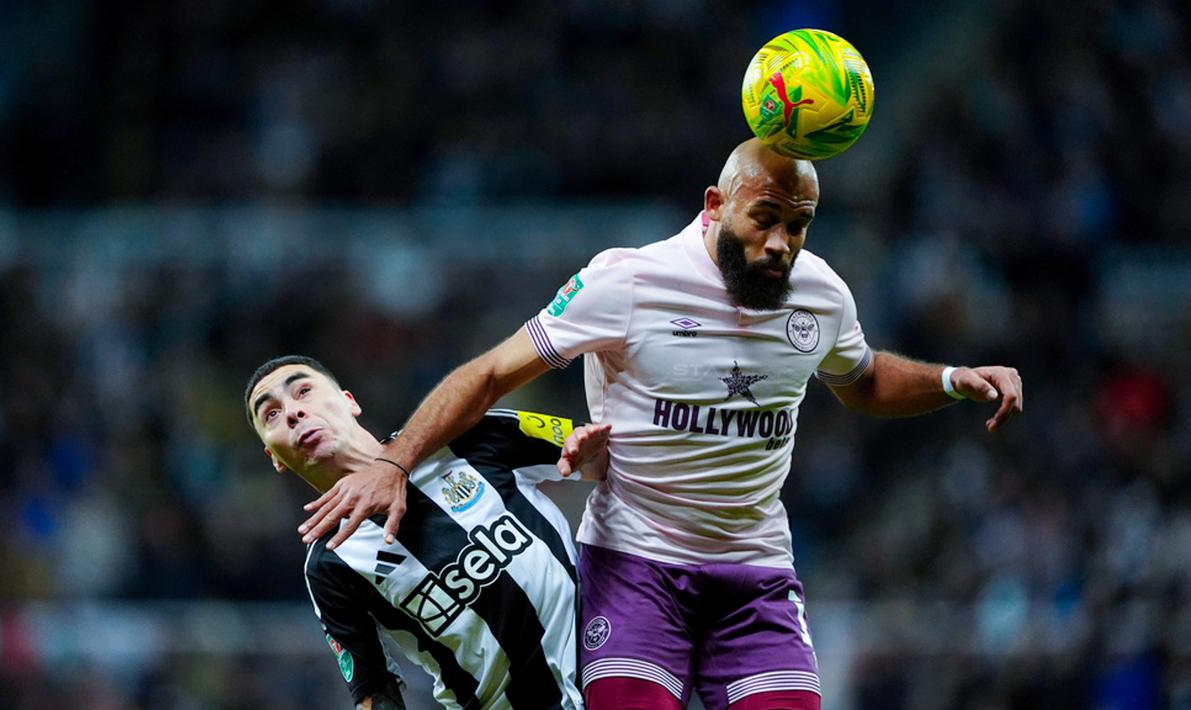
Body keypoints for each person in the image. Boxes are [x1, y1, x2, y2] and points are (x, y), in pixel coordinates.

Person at [297, 139, 1025, 710]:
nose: (780, 243)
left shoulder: (820, 295)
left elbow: (861, 380)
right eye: (764, 218)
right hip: (634, 568)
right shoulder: (627, 281)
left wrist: (950, 380)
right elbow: (488, 373)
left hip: (755, 574)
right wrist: (393, 461)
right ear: (715, 204)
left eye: (797, 226)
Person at [245, 355, 609, 709]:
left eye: (303, 391)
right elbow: (374, 690)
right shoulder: (330, 563)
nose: (292, 412)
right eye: (271, 414)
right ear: (274, 457)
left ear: (349, 402)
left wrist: (587, 448)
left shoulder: (459, 433)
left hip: (613, 661)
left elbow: (604, 459)